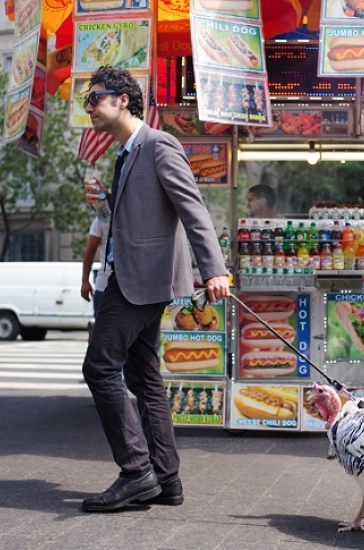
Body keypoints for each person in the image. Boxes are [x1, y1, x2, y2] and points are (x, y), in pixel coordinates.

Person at [80, 67, 230, 513]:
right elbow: (132, 222)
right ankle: (166, 480)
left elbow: (193, 209)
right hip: (130, 277)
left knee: (100, 368)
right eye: (86, 101)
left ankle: (136, 471)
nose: (89, 108)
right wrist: (103, 204)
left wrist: (214, 270)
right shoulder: (124, 154)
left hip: (142, 281)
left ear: (123, 100)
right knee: (143, 377)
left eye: (95, 98)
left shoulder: (158, 144)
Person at [81, 215, 112, 317]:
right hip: (105, 285)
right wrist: (85, 281)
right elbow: (90, 250)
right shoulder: (103, 219)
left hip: (132, 289)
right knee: (102, 330)